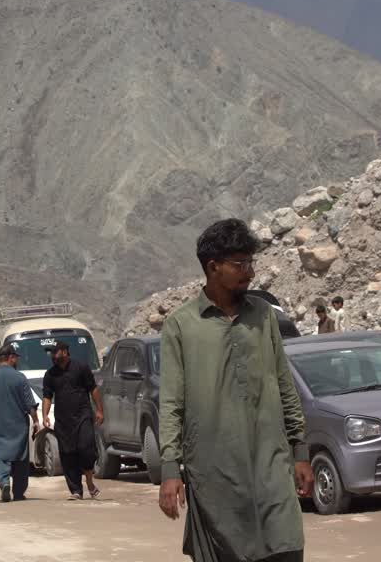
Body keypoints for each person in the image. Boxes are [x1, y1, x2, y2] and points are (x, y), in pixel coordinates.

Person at [159, 219, 314, 562]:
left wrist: (300, 450)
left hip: (270, 465)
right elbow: (171, 402)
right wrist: (170, 470)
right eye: (240, 265)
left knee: (285, 545)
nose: (251, 273)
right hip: (214, 474)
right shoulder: (181, 325)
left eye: (251, 263)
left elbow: (284, 383)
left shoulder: (263, 315)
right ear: (213, 267)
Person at [41, 341, 105, 500]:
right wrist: (45, 415)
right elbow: (47, 397)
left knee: (86, 448)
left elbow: (93, 389)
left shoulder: (81, 367)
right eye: (51, 353)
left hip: (83, 415)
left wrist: (99, 410)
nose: (52, 356)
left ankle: (89, 482)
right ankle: (76, 490)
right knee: (68, 455)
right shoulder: (50, 375)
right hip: (63, 420)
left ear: (64, 351)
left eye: (55, 352)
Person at [0, 344, 40, 502]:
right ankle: (19, 492)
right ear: (11, 358)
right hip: (18, 426)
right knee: (20, 459)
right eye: (16, 358)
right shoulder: (20, 378)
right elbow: (30, 405)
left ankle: (4, 482)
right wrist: (36, 422)